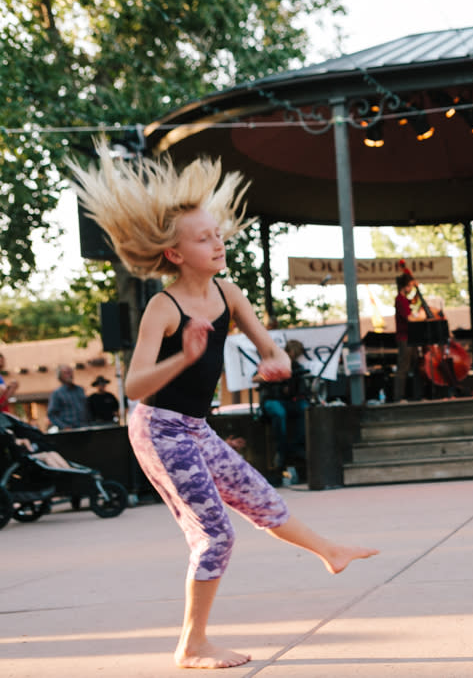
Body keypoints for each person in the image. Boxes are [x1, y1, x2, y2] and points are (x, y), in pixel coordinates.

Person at [69, 143, 378, 670]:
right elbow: (137, 386)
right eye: (203, 238)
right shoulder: (162, 309)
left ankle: (330, 552)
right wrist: (183, 358)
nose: (217, 243)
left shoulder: (229, 292)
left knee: (260, 497)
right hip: (159, 431)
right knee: (215, 534)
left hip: (194, 427)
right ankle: (192, 646)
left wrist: (275, 360)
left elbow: (268, 345)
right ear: (174, 253)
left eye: (218, 234)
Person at [260, 339, 311, 475]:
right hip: (272, 400)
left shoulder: (297, 367)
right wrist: (275, 377)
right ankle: (281, 450)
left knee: (304, 408)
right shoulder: (273, 362)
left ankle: (298, 447)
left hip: (289, 402)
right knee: (279, 412)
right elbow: (257, 378)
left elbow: (302, 391)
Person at [394, 273, 426, 402]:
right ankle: (398, 397)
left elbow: (414, 302)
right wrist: (421, 317)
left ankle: (418, 396)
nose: (411, 289)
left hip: (411, 338)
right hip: (404, 338)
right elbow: (409, 318)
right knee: (403, 368)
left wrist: (418, 290)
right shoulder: (399, 300)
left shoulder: (404, 300)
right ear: (405, 286)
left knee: (416, 367)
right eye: (410, 286)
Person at [47, 364, 91, 431]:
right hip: (69, 431)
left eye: (70, 372)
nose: (69, 375)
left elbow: (87, 409)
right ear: (60, 376)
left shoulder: (80, 390)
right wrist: (64, 427)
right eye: (66, 373)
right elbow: (52, 415)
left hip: (85, 428)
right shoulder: (57, 394)